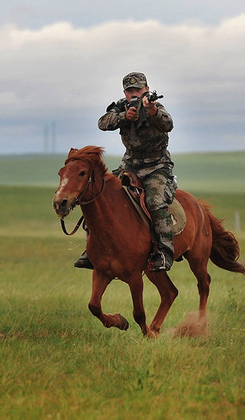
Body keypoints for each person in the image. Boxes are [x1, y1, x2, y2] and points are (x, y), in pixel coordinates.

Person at [75, 71, 177, 272]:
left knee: (154, 201)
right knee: (98, 195)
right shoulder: (121, 106)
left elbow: (168, 124)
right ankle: (91, 248)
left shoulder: (155, 106)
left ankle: (164, 252)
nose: (134, 94)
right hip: (129, 164)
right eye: (130, 91)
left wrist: (152, 110)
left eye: (138, 90)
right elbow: (102, 122)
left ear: (146, 89)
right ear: (125, 92)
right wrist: (124, 117)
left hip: (157, 165)